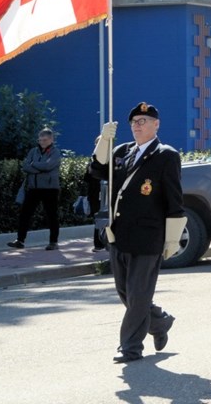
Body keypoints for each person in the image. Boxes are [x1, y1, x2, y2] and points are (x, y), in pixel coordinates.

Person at [89, 102, 186, 363]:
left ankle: (130, 347)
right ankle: (159, 322)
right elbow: (96, 171)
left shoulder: (166, 155)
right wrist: (103, 142)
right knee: (125, 293)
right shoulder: (121, 152)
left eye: (143, 121)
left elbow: (174, 200)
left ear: (156, 125)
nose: (137, 125)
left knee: (138, 295)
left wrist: (173, 237)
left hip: (148, 237)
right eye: (134, 122)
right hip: (120, 235)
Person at [7, 128, 62, 251]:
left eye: (45, 139)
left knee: (52, 215)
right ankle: (20, 240)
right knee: (25, 214)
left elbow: (48, 166)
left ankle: (53, 242)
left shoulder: (55, 152)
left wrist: (34, 165)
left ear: (51, 139)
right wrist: (38, 167)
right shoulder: (33, 151)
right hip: (34, 188)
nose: (42, 142)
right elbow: (26, 166)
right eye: (40, 139)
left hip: (50, 189)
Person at [83, 160, 106, 252]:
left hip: (97, 195)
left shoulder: (92, 161)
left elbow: (86, 179)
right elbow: (86, 178)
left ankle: (99, 244)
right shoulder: (93, 162)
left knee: (99, 219)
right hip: (97, 195)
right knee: (99, 219)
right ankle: (98, 244)